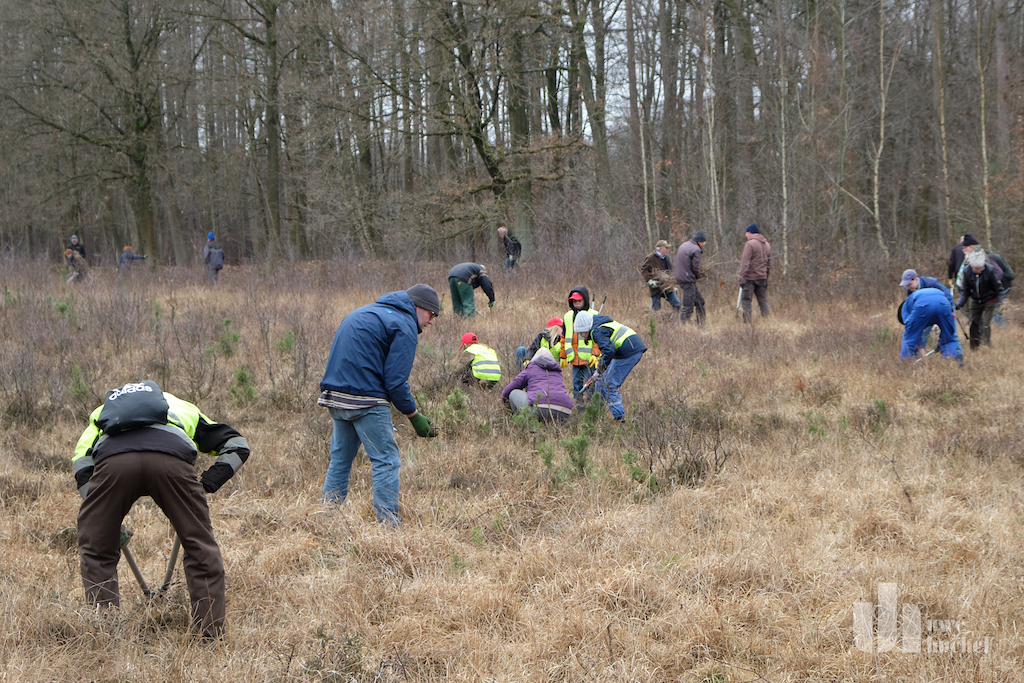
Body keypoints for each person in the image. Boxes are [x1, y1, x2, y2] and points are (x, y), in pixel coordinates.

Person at [72, 380, 251, 639]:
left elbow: (82, 460)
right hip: (171, 461)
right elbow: (237, 444)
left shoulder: (103, 411)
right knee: (200, 547)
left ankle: (104, 635)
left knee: (96, 550)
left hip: (114, 464)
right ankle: (209, 636)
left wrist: (99, 510)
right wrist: (208, 482)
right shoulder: (180, 406)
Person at [319, 284, 439, 524]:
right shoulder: (404, 325)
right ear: (418, 307)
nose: (432, 321)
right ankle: (389, 525)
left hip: (336, 396)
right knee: (386, 461)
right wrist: (414, 415)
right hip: (366, 399)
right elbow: (396, 383)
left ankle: (327, 519)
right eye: (431, 314)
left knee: (340, 461)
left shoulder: (366, 312)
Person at [573, 311, 646, 421]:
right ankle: (595, 414)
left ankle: (619, 419)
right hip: (623, 350)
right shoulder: (599, 324)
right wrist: (600, 369)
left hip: (629, 351)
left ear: (586, 329)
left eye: (581, 333)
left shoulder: (596, 331)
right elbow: (607, 350)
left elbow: (609, 351)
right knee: (600, 383)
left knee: (609, 384)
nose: (581, 336)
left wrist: (599, 371)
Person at [500, 348, 574, 422]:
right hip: (564, 411)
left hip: (538, 408)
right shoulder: (558, 372)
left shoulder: (531, 368)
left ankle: (520, 421)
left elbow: (508, 390)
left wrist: (504, 403)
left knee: (513, 393)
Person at [899, 288, 963, 365]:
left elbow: (912, 335)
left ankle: (906, 365)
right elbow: (946, 330)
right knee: (948, 337)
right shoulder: (914, 299)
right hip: (944, 303)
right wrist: (940, 340)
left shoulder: (905, 309)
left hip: (923, 305)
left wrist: (918, 356)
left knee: (909, 339)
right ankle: (951, 365)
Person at [956, 250, 1005, 350]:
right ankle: (974, 346)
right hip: (975, 300)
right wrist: (960, 303)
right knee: (973, 323)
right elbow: (965, 290)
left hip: (990, 299)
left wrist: (1001, 301)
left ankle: (986, 345)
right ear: (972, 266)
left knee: (986, 323)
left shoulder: (990, 270)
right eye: (977, 269)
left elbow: (998, 287)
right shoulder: (967, 271)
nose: (979, 270)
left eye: (981, 268)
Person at [559, 287, 600, 401]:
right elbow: (564, 337)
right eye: (574, 301)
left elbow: (598, 338)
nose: (576, 303)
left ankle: (591, 405)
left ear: (585, 300)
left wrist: (595, 354)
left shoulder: (593, 315)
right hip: (574, 358)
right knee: (576, 384)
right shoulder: (568, 316)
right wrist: (563, 356)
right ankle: (579, 405)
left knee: (590, 384)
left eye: (579, 301)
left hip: (589, 360)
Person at [738, 224, 772, 323]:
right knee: (762, 300)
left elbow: (745, 262)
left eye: (746, 233)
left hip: (750, 278)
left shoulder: (750, 244)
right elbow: (769, 264)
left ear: (750, 233)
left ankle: (747, 322)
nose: (745, 235)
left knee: (746, 300)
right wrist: (766, 276)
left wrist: (741, 276)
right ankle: (767, 320)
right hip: (762, 277)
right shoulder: (767, 245)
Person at [674, 231, 706, 324]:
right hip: (688, 280)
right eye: (704, 243)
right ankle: (680, 327)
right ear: (700, 242)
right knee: (688, 307)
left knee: (700, 301)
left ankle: (701, 325)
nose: (704, 245)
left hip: (682, 278)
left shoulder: (684, 245)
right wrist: (698, 276)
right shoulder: (696, 249)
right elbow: (695, 267)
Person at [640, 240, 680, 313]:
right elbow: (643, 269)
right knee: (656, 309)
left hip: (666, 287)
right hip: (656, 287)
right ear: (660, 248)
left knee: (677, 303)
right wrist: (649, 280)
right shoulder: (651, 257)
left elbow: (669, 271)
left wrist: (672, 285)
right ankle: (653, 319)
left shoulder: (666, 258)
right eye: (666, 248)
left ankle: (674, 318)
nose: (668, 250)